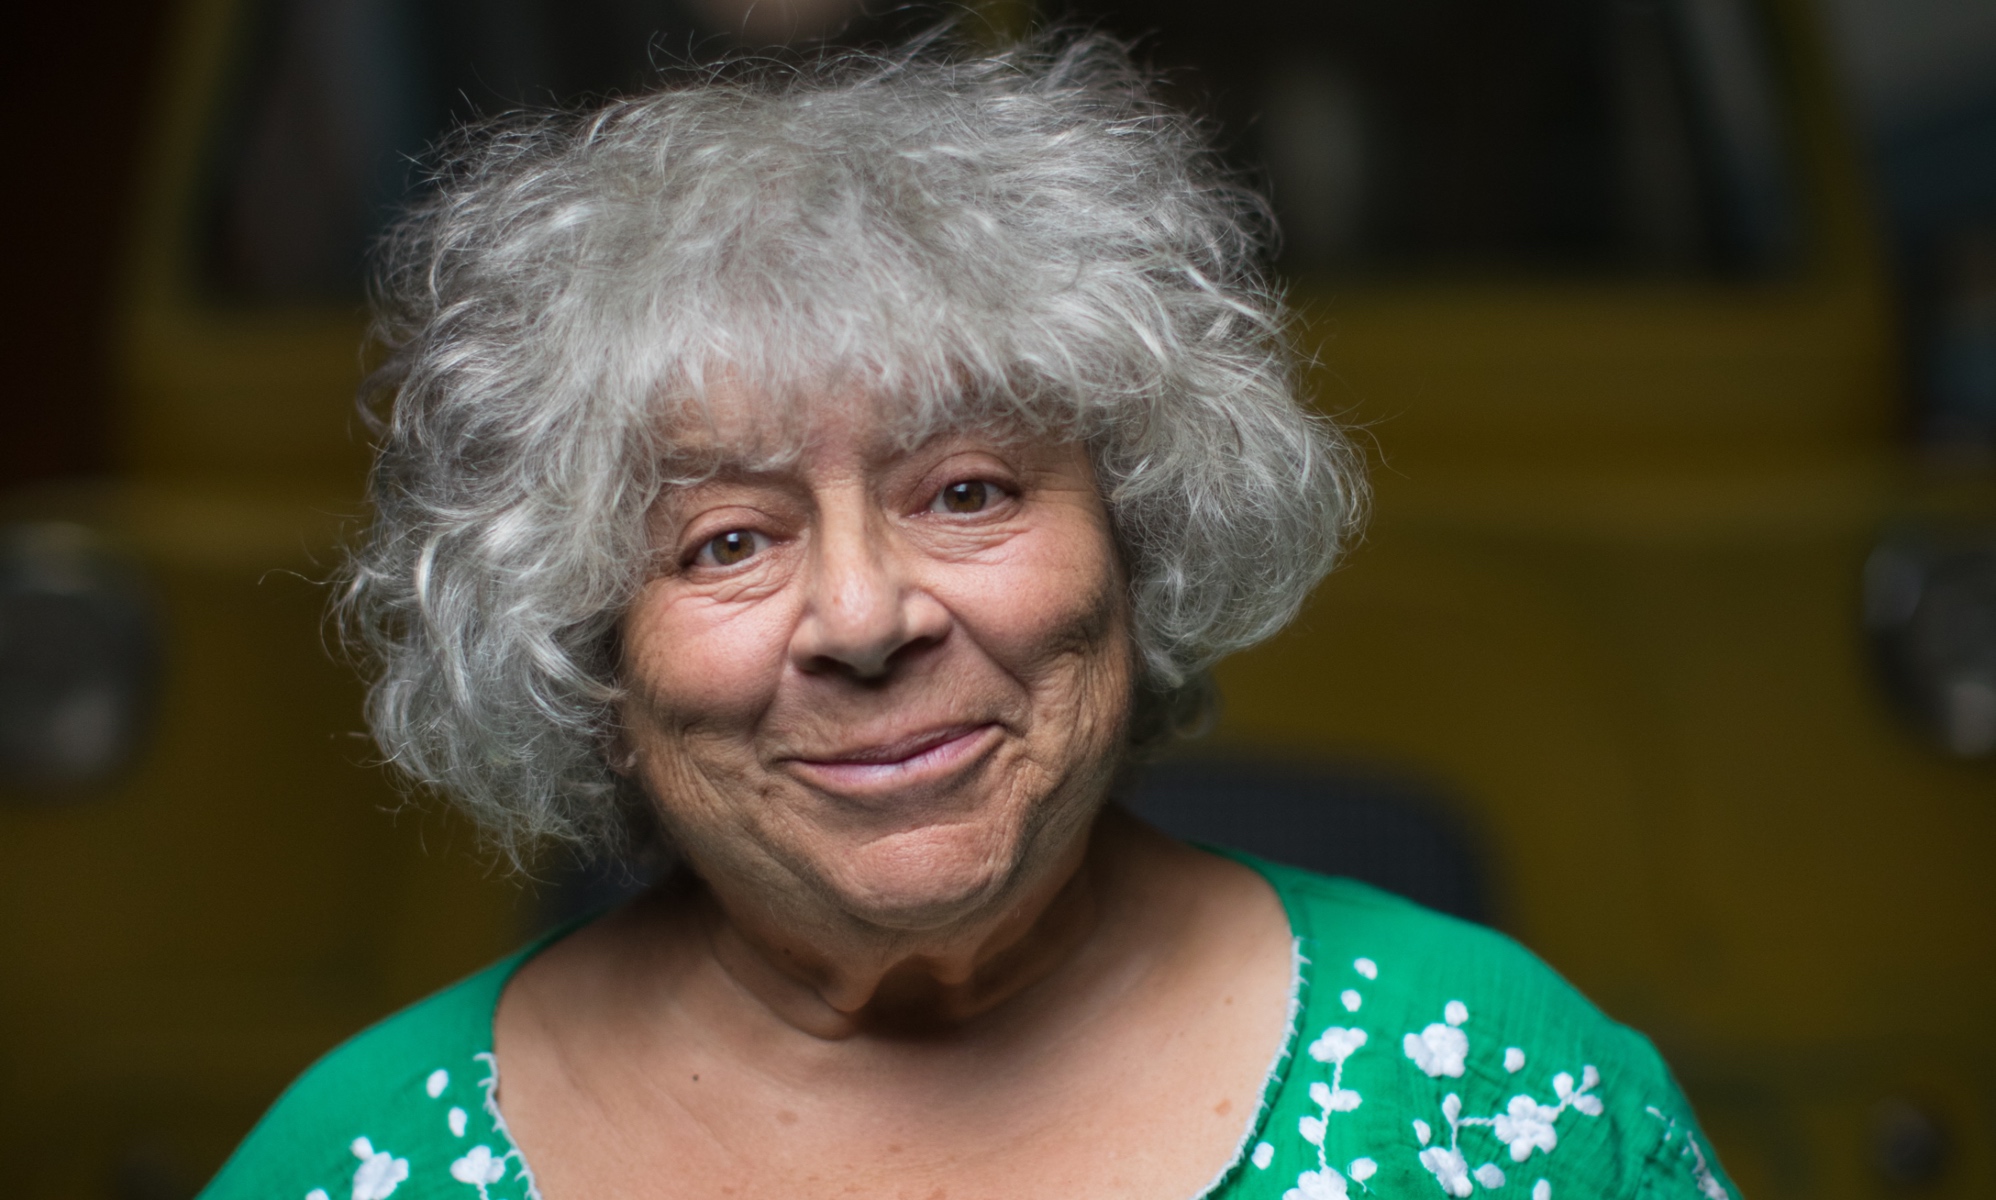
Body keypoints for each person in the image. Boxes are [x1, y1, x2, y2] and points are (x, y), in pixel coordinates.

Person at [201, 32, 1738, 1200]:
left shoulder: (1495, 1089)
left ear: (1138, 548)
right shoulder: (359, 1160)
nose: (865, 619)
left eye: (969, 494)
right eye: (727, 540)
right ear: (590, 657)